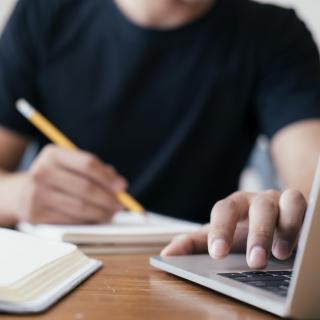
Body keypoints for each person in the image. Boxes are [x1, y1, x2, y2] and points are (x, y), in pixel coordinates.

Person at [0, 0, 320, 269]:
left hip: (195, 270)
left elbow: (311, 181)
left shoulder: (274, 34)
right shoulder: (43, 13)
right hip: (57, 269)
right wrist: (20, 194)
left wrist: (281, 217)